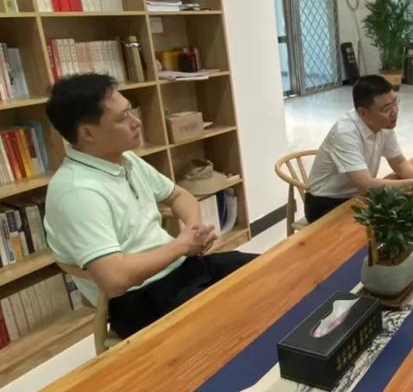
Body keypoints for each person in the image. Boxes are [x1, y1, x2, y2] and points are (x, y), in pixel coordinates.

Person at [44, 74, 256, 338]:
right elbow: (115, 279)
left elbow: (179, 196)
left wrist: (193, 231)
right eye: (123, 118)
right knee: (239, 320)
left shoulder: (124, 160)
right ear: (88, 133)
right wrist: (181, 246)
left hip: (180, 268)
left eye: (131, 111)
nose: (137, 122)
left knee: (271, 272)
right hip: (141, 297)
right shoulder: (77, 193)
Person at [306, 74, 413, 222]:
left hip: (359, 196)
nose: (395, 111)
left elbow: (399, 163)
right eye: (387, 108)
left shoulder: (384, 123)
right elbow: (366, 185)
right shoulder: (345, 132)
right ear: (363, 112)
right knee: (393, 221)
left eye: (395, 102)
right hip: (328, 202)